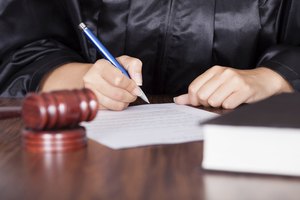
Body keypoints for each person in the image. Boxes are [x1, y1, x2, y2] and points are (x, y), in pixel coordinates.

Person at [0, 0, 299, 110]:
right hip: (91, 155)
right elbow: (23, 45)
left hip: (245, 155)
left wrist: (274, 78)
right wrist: (82, 79)